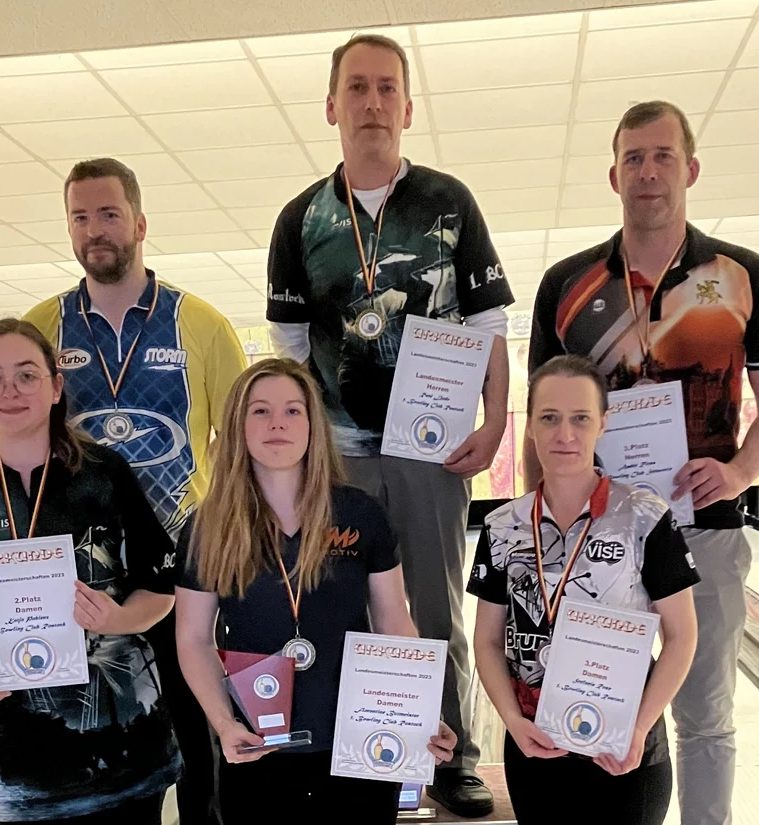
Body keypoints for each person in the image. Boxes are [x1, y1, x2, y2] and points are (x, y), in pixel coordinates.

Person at [526, 101, 759, 825]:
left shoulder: (743, 278)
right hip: (594, 534)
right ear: (613, 175)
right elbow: (542, 415)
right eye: (633, 159)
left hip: (703, 527)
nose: (648, 172)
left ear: (691, 168)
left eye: (663, 156)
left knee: (704, 712)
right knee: (594, 703)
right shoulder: (567, 285)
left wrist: (739, 473)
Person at [265, 34, 513, 815]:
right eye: (357, 88)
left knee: (434, 605)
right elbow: (293, 356)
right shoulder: (299, 219)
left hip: (429, 449)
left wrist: (498, 418)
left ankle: (451, 758)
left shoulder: (448, 201)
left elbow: (489, 323)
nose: (372, 102)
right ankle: (366, 748)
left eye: (387, 89)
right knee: (345, 606)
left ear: (407, 107)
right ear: (332, 105)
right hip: (338, 455)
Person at [24, 158, 247, 823]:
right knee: (97, 745)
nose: (96, 230)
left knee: (199, 738)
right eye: (80, 217)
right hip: (83, 581)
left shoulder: (201, 324)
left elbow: (234, 452)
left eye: (109, 214)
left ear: (140, 222)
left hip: (183, 572)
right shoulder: (41, 326)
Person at [0, 318, 181, 824]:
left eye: (26, 375)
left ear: (56, 387)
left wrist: (116, 620)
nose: (9, 390)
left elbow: (160, 589)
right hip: (2, 761)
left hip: (119, 753)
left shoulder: (105, 474)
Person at [174, 358, 457, 825]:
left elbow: (393, 622)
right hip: (259, 745)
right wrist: (224, 724)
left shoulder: (359, 512)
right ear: (237, 425)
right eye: (260, 411)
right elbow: (193, 639)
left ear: (313, 425)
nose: (277, 424)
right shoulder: (208, 527)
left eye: (293, 411)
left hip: (358, 740)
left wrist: (418, 712)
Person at [471, 355, 699, 825]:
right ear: (529, 425)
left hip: (625, 750)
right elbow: (488, 641)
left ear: (603, 424)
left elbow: (682, 637)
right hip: (535, 747)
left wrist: (638, 728)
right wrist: (513, 723)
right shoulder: (502, 526)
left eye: (581, 419)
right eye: (549, 418)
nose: (565, 435)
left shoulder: (645, 517)